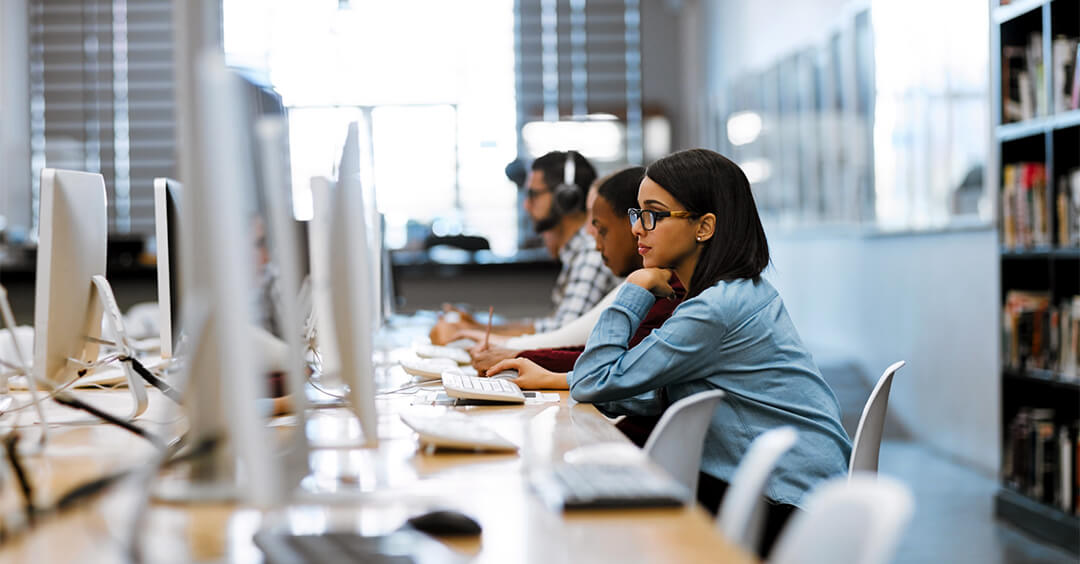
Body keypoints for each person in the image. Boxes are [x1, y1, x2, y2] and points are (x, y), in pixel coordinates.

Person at [486, 149, 851, 557]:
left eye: (653, 215)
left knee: (588, 518)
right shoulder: (732, 293)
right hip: (798, 486)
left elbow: (595, 381)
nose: (638, 229)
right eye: (637, 213)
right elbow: (657, 388)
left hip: (783, 502)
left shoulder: (714, 309)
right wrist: (562, 380)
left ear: (705, 227)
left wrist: (635, 289)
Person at [468, 166, 683, 376]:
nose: (637, 229)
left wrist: (518, 356)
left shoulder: (669, 291)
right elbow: (602, 360)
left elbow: (610, 369)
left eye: (653, 215)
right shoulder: (656, 282)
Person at [429, 151, 620, 343]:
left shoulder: (591, 253)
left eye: (533, 194)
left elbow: (560, 337)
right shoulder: (577, 253)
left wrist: (470, 333)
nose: (526, 205)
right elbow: (550, 327)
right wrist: (477, 327)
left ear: (565, 198)